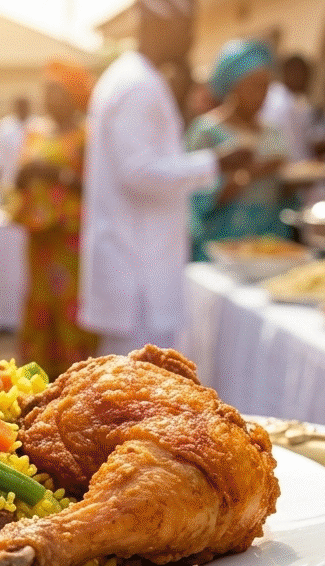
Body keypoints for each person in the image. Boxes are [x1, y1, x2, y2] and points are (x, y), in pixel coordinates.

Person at [78, 0, 250, 355]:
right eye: (187, 27)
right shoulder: (137, 85)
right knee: (133, 395)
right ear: (159, 25)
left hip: (138, 265)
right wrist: (215, 161)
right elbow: (138, 172)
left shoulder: (136, 77)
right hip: (139, 276)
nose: (190, 39)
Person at [11, 61, 99, 379]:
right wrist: (25, 174)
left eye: (57, 93)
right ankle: (39, 382)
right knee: (39, 307)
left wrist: (56, 174)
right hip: (39, 237)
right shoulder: (35, 132)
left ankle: (73, 379)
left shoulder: (88, 134)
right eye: (47, 92)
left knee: (69, 310)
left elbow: (97, 187)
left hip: (69, 238)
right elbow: (19, 179)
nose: (49, 100)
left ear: (74, 96)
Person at [186, 39, 290, 262]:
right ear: (233, 85)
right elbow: (193, 199)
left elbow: (284, 196)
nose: (262, 94)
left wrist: (287, 181)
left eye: (266, 86)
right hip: (222, 246)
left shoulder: (273, 133)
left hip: (270, 245)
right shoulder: (206, 131)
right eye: (255, 85)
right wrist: (250, 174)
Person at [261, 54, 315, 162]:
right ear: (287, 72)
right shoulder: (276, 99)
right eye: (301, 73)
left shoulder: (298, 102)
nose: (306, 79)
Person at [0, 95, 30, 194]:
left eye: (25, 106)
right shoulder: (3, 128)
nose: (23, 109)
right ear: (15, 107)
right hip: (8, 188)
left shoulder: (37, 126)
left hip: (31, 190)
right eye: (20, 106)